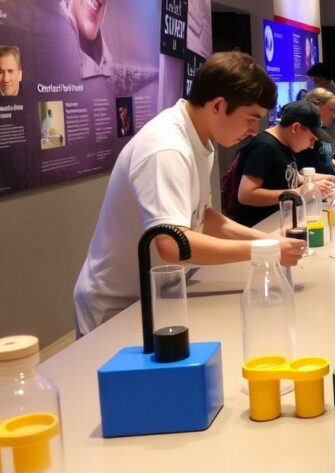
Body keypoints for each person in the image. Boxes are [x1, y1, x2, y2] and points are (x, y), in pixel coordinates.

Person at [73, 51, 306, 335]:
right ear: (218, 105)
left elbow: (203, 216)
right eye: (251, 118)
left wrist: (265, 239)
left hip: (161, 294)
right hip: (120, 306)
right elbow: (172, 243)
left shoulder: (200, 139)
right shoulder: (167, 149)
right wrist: (263, 250)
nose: (254, 130)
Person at [230, 100, 335, 228]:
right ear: (295, 128)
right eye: (311, 139)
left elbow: (291, 176)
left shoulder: (287, 143)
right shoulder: (264, 147)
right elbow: (246, 195)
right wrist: (298, 192)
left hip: (281, 222)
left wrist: (324, 180)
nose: (312, 146)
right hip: (260, 227)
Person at [296, 87, 335, 175]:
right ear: (317, 107)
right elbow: (310, 165)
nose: (334, 116)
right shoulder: (306, 133)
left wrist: (332, 162)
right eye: (330, 110)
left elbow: (321, 155)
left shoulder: (321, 130)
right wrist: (333, 175)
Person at [306, 63, 335, 146]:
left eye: (317, 80)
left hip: (325, 137)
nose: (315, 83)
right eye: (313, 80)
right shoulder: (329, 87)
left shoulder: (328, 91)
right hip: (326, 137)